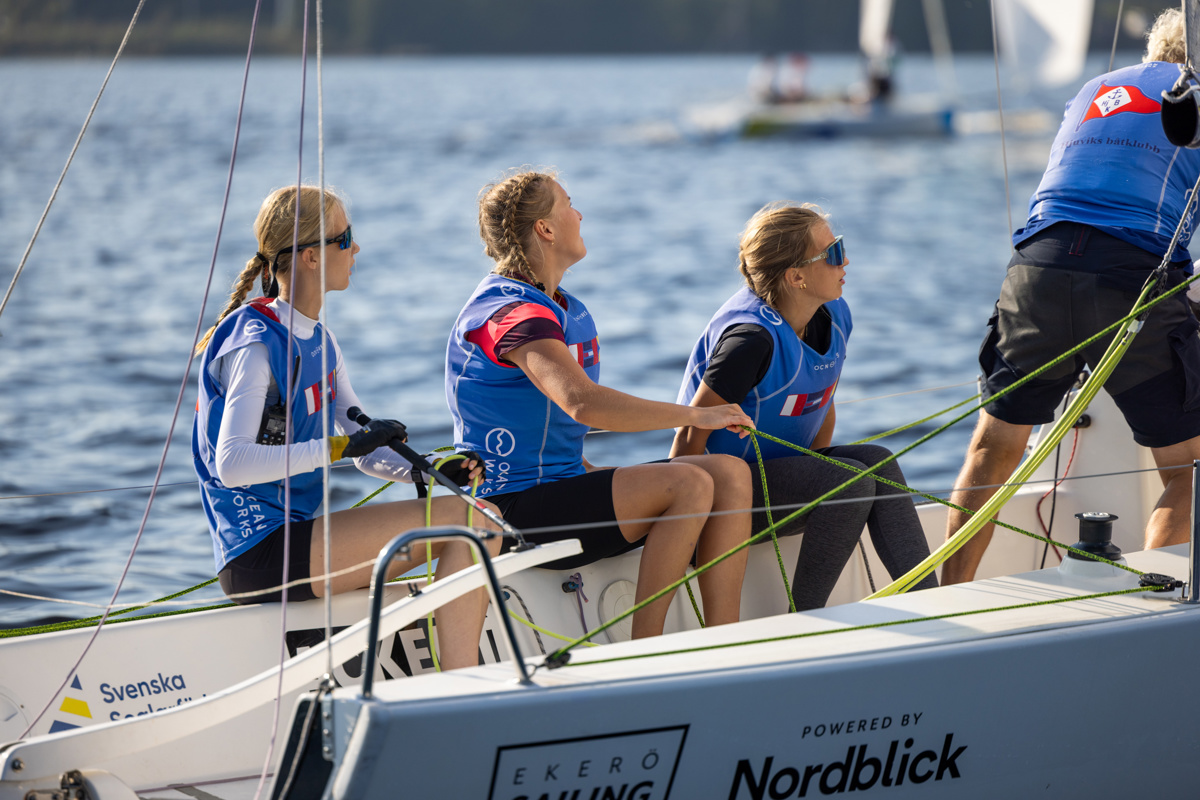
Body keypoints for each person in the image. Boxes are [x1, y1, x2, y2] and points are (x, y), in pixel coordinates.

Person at [193, 185, 501, 670]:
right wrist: (339, 447)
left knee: (481, 514)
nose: (356, 248)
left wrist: (431, 469)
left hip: (298, 538)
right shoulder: (254, 343)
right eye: (345, 238)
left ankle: (455, 670)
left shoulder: (322, 342)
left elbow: (364, 449)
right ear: (312, 256)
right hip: (258, 552)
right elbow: (232, 465)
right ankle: (461, 681)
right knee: (475, 523)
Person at [942, 7, 1200, 585]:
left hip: (1038, 265)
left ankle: (947, 595)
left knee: (992, 449)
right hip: (1129, 276)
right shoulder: (1196, 98)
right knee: (1189, 472)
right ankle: (1153, 606)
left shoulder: (1095, 88)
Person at [446, 170, 754, 639]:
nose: (579, 214)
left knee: (730, 473)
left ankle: (725, 639)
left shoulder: (556, 304)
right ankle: (644, 647)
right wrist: (700, 415)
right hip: (507, 511)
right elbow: (582, 403)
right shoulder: (510, 313)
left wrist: (590, 470)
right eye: (569, 204)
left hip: (559, 489)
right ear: (545, 229)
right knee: (688, 483)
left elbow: (549, 428)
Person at [671, 203, 936, 611]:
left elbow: (821, 401)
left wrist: (814, 476)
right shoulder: (749, 341)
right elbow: (690, 434)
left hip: (776, 479)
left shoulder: (834, 314)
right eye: (833, 253)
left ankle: (930, 602)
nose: (845, 261)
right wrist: (685, 528)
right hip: (725, 500)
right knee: (849, 484)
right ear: (796, 277)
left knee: (878, 462)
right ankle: (805, 619)